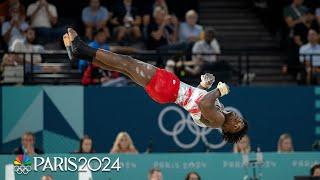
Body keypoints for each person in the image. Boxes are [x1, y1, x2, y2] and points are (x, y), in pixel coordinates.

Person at [63, 28, 248, 144]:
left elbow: (204, 104)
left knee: (126, 62)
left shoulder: (218, 121)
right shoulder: (219, 114)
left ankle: (81, 48)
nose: (237, 121)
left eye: (236, 126)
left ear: (228, 131)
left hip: (170, 88)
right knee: (123, 68)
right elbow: (195, 102)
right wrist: (203, 85)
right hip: (169, 92)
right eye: (241, 121)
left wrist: (218, 91)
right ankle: (82, 54)